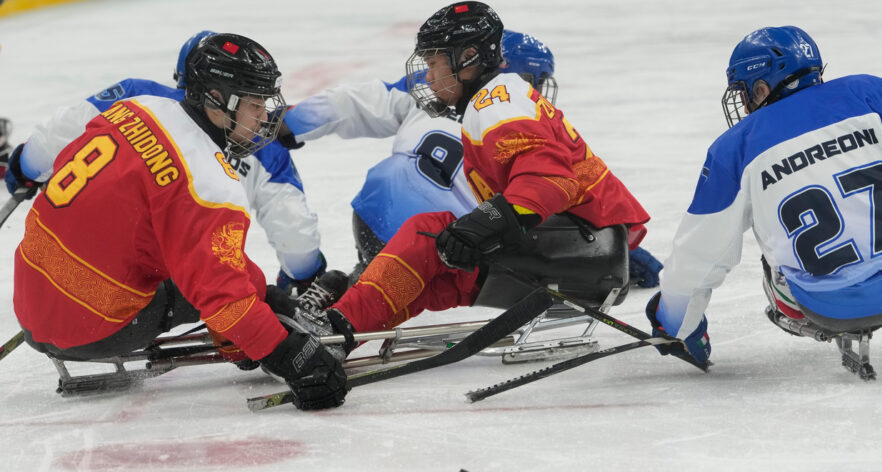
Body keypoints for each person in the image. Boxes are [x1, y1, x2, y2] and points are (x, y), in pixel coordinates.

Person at [11, 33, 348, 410]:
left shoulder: (136, 107)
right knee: (214, 288)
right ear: (217, 100)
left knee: (211, 265)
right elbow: (223, 297)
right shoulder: (207, 180)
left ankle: (268, 309)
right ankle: (241, 340)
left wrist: (265, 294)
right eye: (255, 104)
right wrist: (289, 356)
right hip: (89, 330)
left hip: (29, 297)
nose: (265, 118)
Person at [646, 25, 882, 372]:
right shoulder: (865, 92)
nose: (745, 104)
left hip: (825, 306)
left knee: (769, 235)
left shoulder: (734, 148)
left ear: (762, 87)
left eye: (745, 92)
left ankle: (806, 303)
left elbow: (699, 256)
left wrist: (678, 325)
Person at [311, 2, 650, 339]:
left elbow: (552, 181)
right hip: (589, 250)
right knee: (435, 275)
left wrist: (478, 226)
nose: (428, 76)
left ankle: (339, 327)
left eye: (433, 63)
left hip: (587, 249)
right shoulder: (493, 101)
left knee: (426, 232)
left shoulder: (497, 100)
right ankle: (333, 334)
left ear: (468, 58)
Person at [5, 31, 326, 296]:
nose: (262, 114)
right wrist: (302, 275)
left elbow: (60, 132)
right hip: (175, 277)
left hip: (72, 250)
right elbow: (294, 233)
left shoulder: (136, 95)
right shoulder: (266, 145)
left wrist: (25, 168)